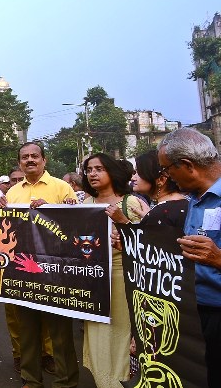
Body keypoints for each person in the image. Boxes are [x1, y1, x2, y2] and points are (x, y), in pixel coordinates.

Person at [0, 142, 78, 388]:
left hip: (54, 272)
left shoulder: (62, 188)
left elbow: (76, 224)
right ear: (19, 162)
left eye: (34, 156)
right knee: (28, 331)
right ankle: (31, 380)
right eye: (24, 157)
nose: (29, 160)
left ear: (44, 159)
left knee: (60, 333)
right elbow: (5, 229)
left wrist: (53, 210)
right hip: (23, 272)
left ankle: (66, 382)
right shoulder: (12, 193)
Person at [157, 128, 221, 387]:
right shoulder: (194, 198)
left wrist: (218, 259)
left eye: (168, 169)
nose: (166, 176)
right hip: (195, 313)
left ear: (187, 165)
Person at [80, 153, 147, 388]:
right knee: (98, 333)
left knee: (121, 334)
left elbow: (148, 245)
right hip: (93, 282)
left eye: (99, 169)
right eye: (89, 170)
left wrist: (122, 223)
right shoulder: (84, 205)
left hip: (123, 280)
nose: (93, 174)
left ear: (111, 172)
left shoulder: (130, 203)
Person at [129, 150, 187, 228]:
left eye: (139, 173)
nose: (133, 178)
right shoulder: (186, 203)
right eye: (134, 172)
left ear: (161, 180)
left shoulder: (161, 212)